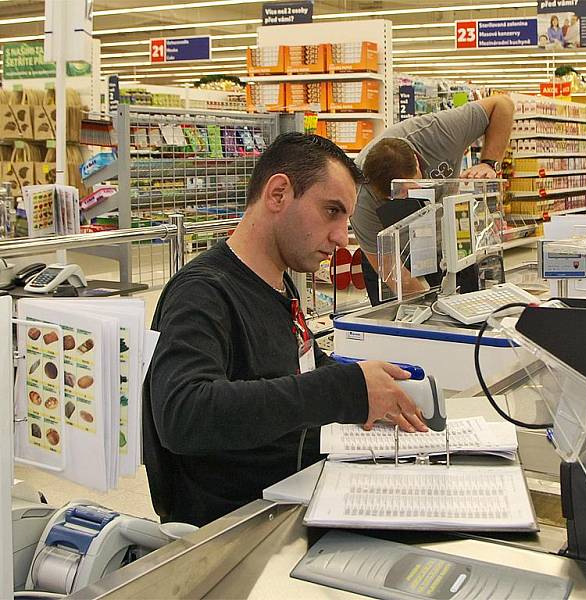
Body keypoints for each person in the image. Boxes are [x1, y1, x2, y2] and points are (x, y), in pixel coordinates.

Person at [143, 133, 428, 527]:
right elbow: (183, 413)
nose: (342, 237)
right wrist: (343, 390)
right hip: (237, 529)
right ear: (278, 194)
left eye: (346, 218)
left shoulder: (278, 282)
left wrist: (368, 383)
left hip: (297, 495)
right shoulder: (202, 294)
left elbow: (295, 366)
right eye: (331, 212)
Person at [350, 95, 515, 305]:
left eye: (407, 191)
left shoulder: (440, 132)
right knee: (395, 320)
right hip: (394, 251)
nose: (404, 201)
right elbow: (396, 276)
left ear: (418, 166)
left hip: (446, 241)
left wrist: (490, 163)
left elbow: (502, 105)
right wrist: (430, 311)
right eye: (393, 198)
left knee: (467, 305)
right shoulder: (361, 197)